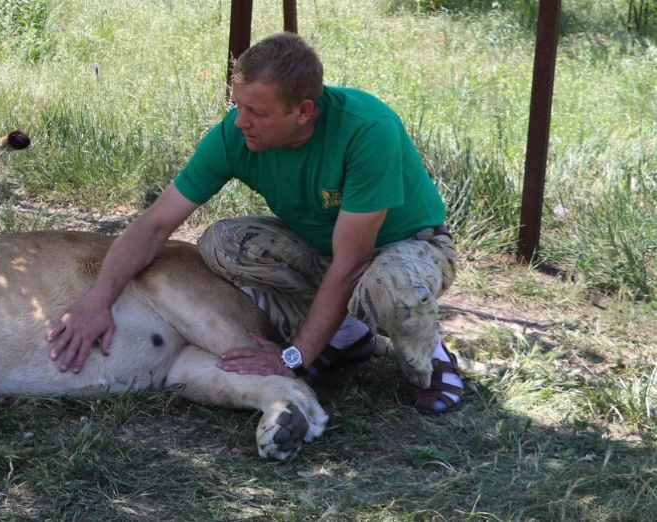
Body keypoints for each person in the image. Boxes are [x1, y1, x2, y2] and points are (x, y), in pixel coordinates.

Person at [46, 33, 463, 414]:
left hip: (405, 249)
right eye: (238, 105)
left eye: (257, 112)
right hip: (325, 251)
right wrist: (97, 299)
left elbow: (352, 263)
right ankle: (347, 338)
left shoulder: (368, 130)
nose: (241, 120)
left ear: (302, 112)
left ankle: (432, 360)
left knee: (387, 287)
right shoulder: (236, 135)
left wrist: (293, 357)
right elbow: (155, 224)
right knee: (223, 243)